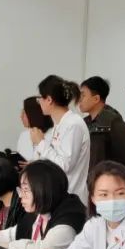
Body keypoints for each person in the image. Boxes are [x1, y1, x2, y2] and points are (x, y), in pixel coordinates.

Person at [0, 160, 87, 249]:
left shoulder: (67, 222)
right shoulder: (41, 208)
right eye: (21, 189)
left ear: (44, 190)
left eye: (26, 190)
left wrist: (6, 247)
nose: (20, 195)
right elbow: (12, 234)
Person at [30, 75, 91, 204]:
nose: (39, 102)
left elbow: (64, 165)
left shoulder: (73, 124)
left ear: (49, 100)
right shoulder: (59, 124)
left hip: (72, 199)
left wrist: (41, 143)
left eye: (40, 98)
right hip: (57, 197)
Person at [79, 76, 125, 170]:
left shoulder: (114, 123)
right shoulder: (84, 122)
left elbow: (123, 161)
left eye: (83, 95)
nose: (79, 99)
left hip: (105, 177)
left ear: (96, 99)